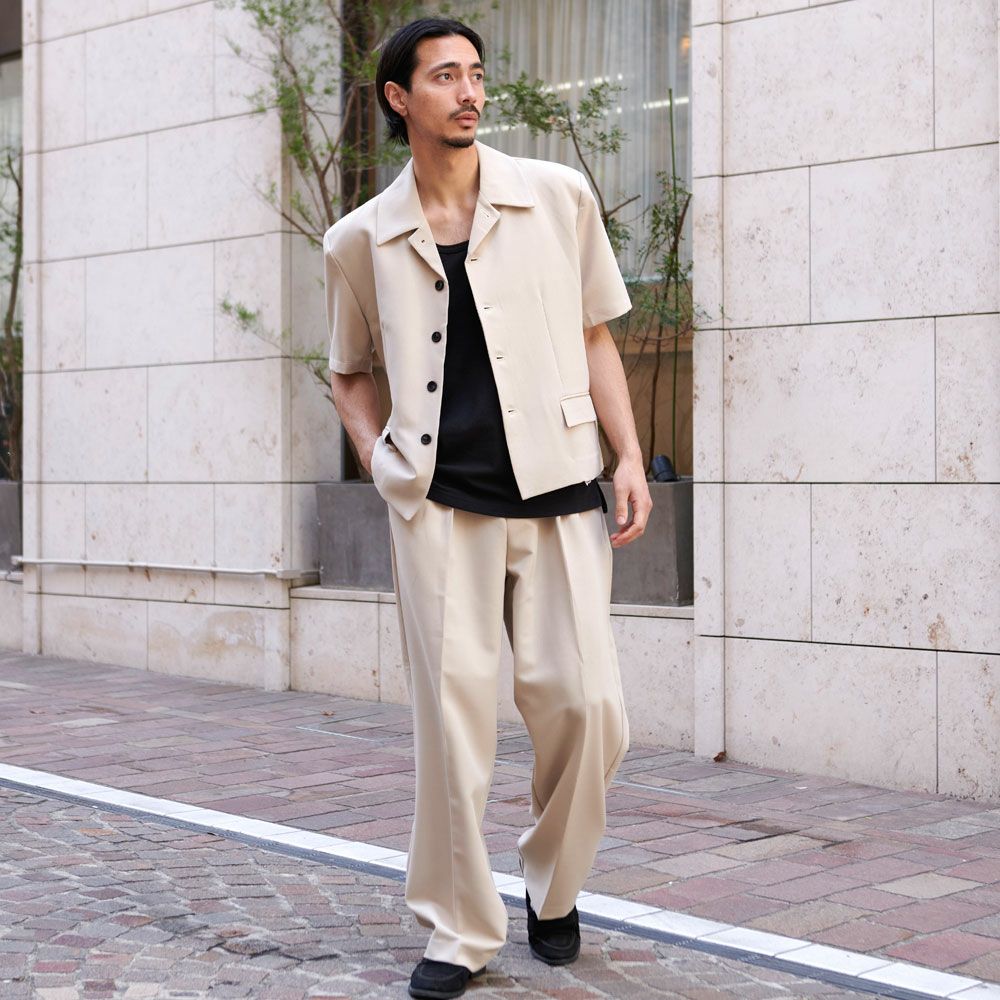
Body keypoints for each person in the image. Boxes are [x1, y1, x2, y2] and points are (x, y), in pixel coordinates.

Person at [323, 16, 652, 999]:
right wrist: (382, 464)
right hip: (441, 508)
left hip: (559, 492)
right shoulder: (359, 238)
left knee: (589, 708)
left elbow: (593, 334)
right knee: (452, 731)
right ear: (399, 99)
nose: (469, 91)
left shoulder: (555, 196)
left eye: (475, 73)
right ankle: (459, 930)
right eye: (444, 76)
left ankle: (555, 882)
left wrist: (629, 453)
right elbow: (348, 372)